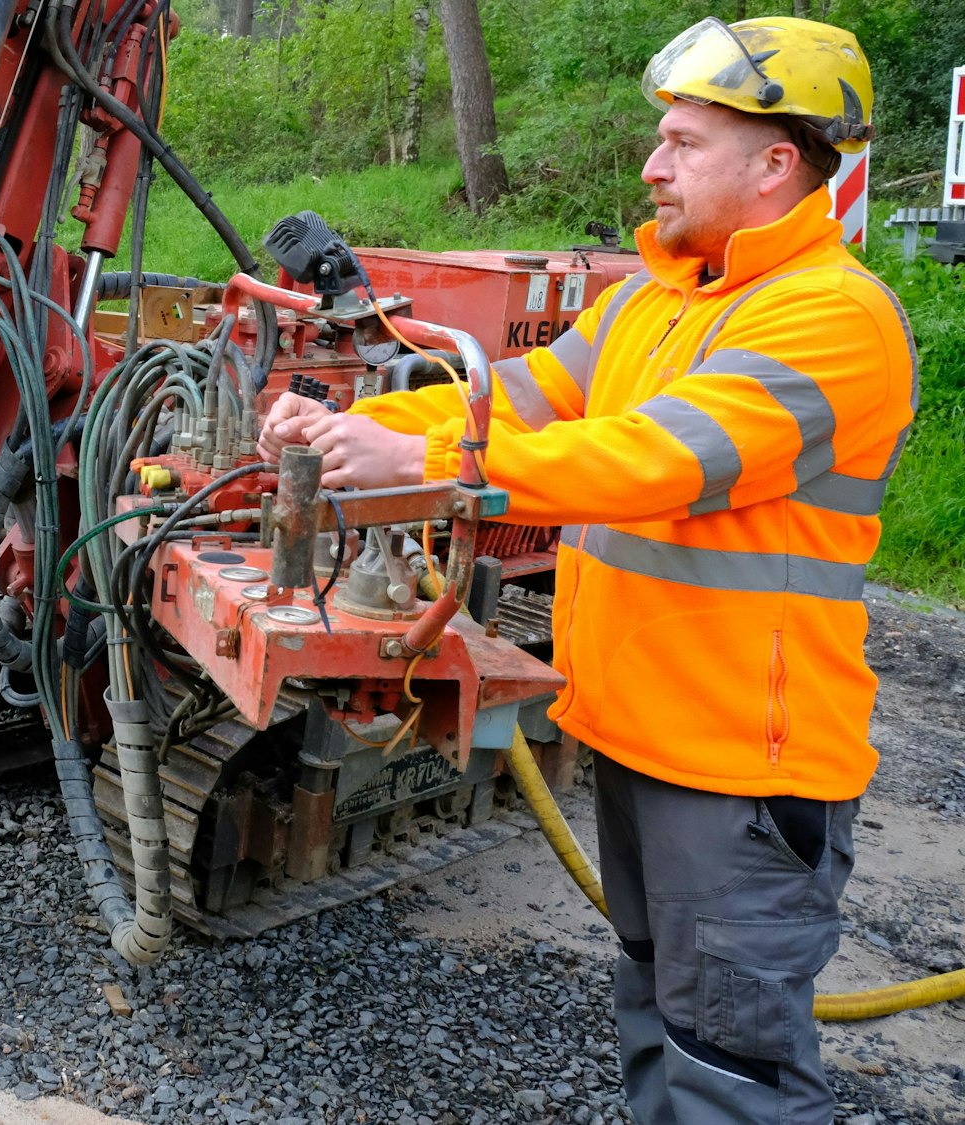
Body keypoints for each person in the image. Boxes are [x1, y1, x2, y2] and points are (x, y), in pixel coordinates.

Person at [260, 17, 917, 1124]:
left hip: (738, 771)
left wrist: (415, 460)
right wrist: (347, 424)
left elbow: (658, 459)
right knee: (662, 1023)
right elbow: (508, 403)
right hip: (638, 735)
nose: (651, 166)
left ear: (774, 163)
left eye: (680, 142)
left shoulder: (830, 318)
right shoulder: (648, 301)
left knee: (729, 1073)